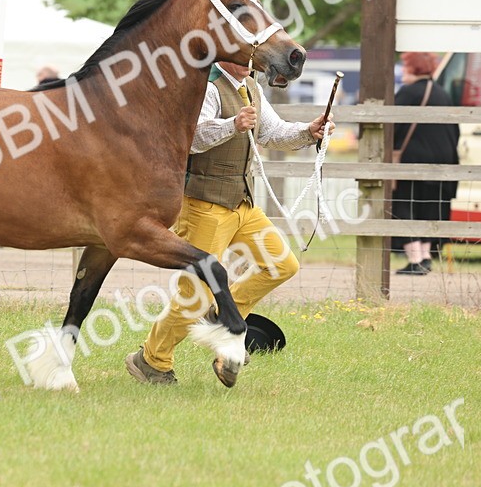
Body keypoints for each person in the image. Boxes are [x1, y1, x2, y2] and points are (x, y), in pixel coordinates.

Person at [125, 61, 333, 387]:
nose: (250, 61)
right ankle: (152, 359)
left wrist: (308, 132)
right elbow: (191, 137)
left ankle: (224, 320)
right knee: (195, 296)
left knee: (281, 265)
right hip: (204, 207)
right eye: (242, 52)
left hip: (243, 204)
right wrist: (232, 125)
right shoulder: (205, 86)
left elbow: (272, 133)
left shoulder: (251, 86)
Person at [391, 52, 459, 275]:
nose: (402, 71)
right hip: (443, 164)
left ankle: (415, 259)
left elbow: (393, 128)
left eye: (405, 66)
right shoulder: (443, 94)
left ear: (415, 69)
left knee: (406, 206)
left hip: (413, 161)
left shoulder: (407, 93)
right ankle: (427, 256)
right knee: (430, 207)